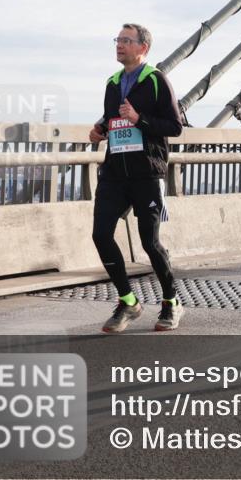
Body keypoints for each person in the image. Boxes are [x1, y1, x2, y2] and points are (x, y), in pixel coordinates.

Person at [89, 24, 184, 333]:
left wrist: (139, 120)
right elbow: (112, 117)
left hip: (147, 172)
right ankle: (128, 301)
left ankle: (171, 302)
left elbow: (174, 126)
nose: (119, 44)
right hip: (115, 173)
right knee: (101, 235)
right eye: (118, 39)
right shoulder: (112, 82)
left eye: (126, 40)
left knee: (149, 242)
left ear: (143, 48)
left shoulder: (156, 81)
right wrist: (100, 129)